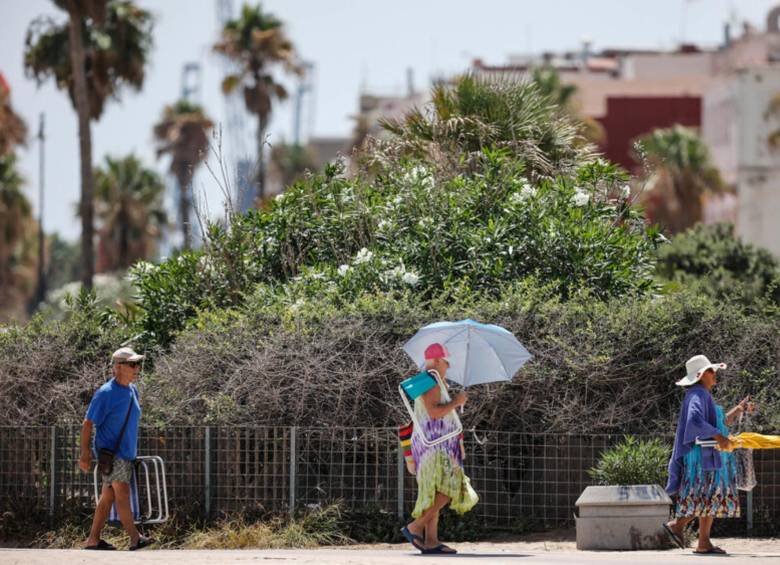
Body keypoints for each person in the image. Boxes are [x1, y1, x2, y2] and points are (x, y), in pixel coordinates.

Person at [663, 354, 753, 555]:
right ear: (702, 374)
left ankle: (700, 540)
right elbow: (695, 421)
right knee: (707, 494)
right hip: (702, 456)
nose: (715, 374)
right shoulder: (698, 394)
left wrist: (739, 409)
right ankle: (678, 527)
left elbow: (719, 422)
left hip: (707, 455)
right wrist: (718, 436)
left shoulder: (702, 395)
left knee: (708, 495)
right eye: (712, 371)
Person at [401, 343, 478, 555]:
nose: (448, 366)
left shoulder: (432, 381)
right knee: (450, 487)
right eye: (446, 361)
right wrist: (457, 401)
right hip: (434, 446)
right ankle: (415, 527)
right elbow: (435, 413)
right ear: (436, 361)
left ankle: (432, 541)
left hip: (433, 445)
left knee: (435, 491)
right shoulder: (430, 381)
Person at [78, 347, 154, 551]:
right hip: (112, 454)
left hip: (125, 453)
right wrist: (85, 453)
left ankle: (93, 539)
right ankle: (135, 538)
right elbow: (87, 423)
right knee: (123, 492)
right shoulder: (105, 393)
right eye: (132, 364)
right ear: (118, 367)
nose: (137, 368)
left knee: (108, 497)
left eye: (137, 364)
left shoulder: (132, 390)